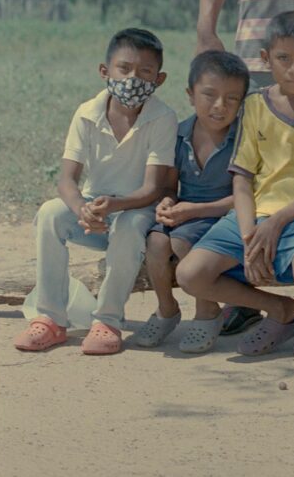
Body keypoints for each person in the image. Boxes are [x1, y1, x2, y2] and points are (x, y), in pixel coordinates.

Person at [176, 11, 294, 360]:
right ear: (266, 58)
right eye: (283, 58)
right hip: (252, 215)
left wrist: (276, 223)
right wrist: (248, 235)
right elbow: (242, 177)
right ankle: (281, 311)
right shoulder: (255, 104)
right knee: (190, 274)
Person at [14, 28, 177, 356]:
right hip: (95, 210)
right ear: (105, 71)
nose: (133, 79)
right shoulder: (86, 114)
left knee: (130, 226)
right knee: (49, 213)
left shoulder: (163, 118)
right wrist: (81, 210)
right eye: (124, 69)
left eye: (145, 72)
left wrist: (115, 206)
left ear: (159, 79)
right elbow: (66, 180)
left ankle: (107, 321)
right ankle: (50, 319)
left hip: (135, 210)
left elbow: (152, 188)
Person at [132, 49, 259, 353]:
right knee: (156, 243)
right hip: (186, 215)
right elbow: (170, 186)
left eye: (232, 98)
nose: (220, 106)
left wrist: (195, 211)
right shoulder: (179, 135)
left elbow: (250, 197)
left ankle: (207, 312)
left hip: (226, 217)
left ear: (243, 102)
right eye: (209, 95)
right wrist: (166, 203)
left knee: (182, 244)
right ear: (190, 94)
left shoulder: (245, 138)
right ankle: (166, 309)